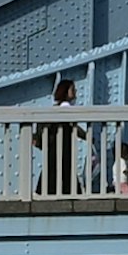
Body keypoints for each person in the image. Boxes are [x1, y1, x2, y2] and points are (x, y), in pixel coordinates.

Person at [34, 65, 80, 198]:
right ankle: (71, 192)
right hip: (64, 142)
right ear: (66, 91)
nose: (75, 92)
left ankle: (43, 191)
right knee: (66, 167)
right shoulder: (67, 107)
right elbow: (74, 126)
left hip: (53, 143)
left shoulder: (54, 108)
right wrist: (87, 136)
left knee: (51, 167)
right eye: (72, 89)